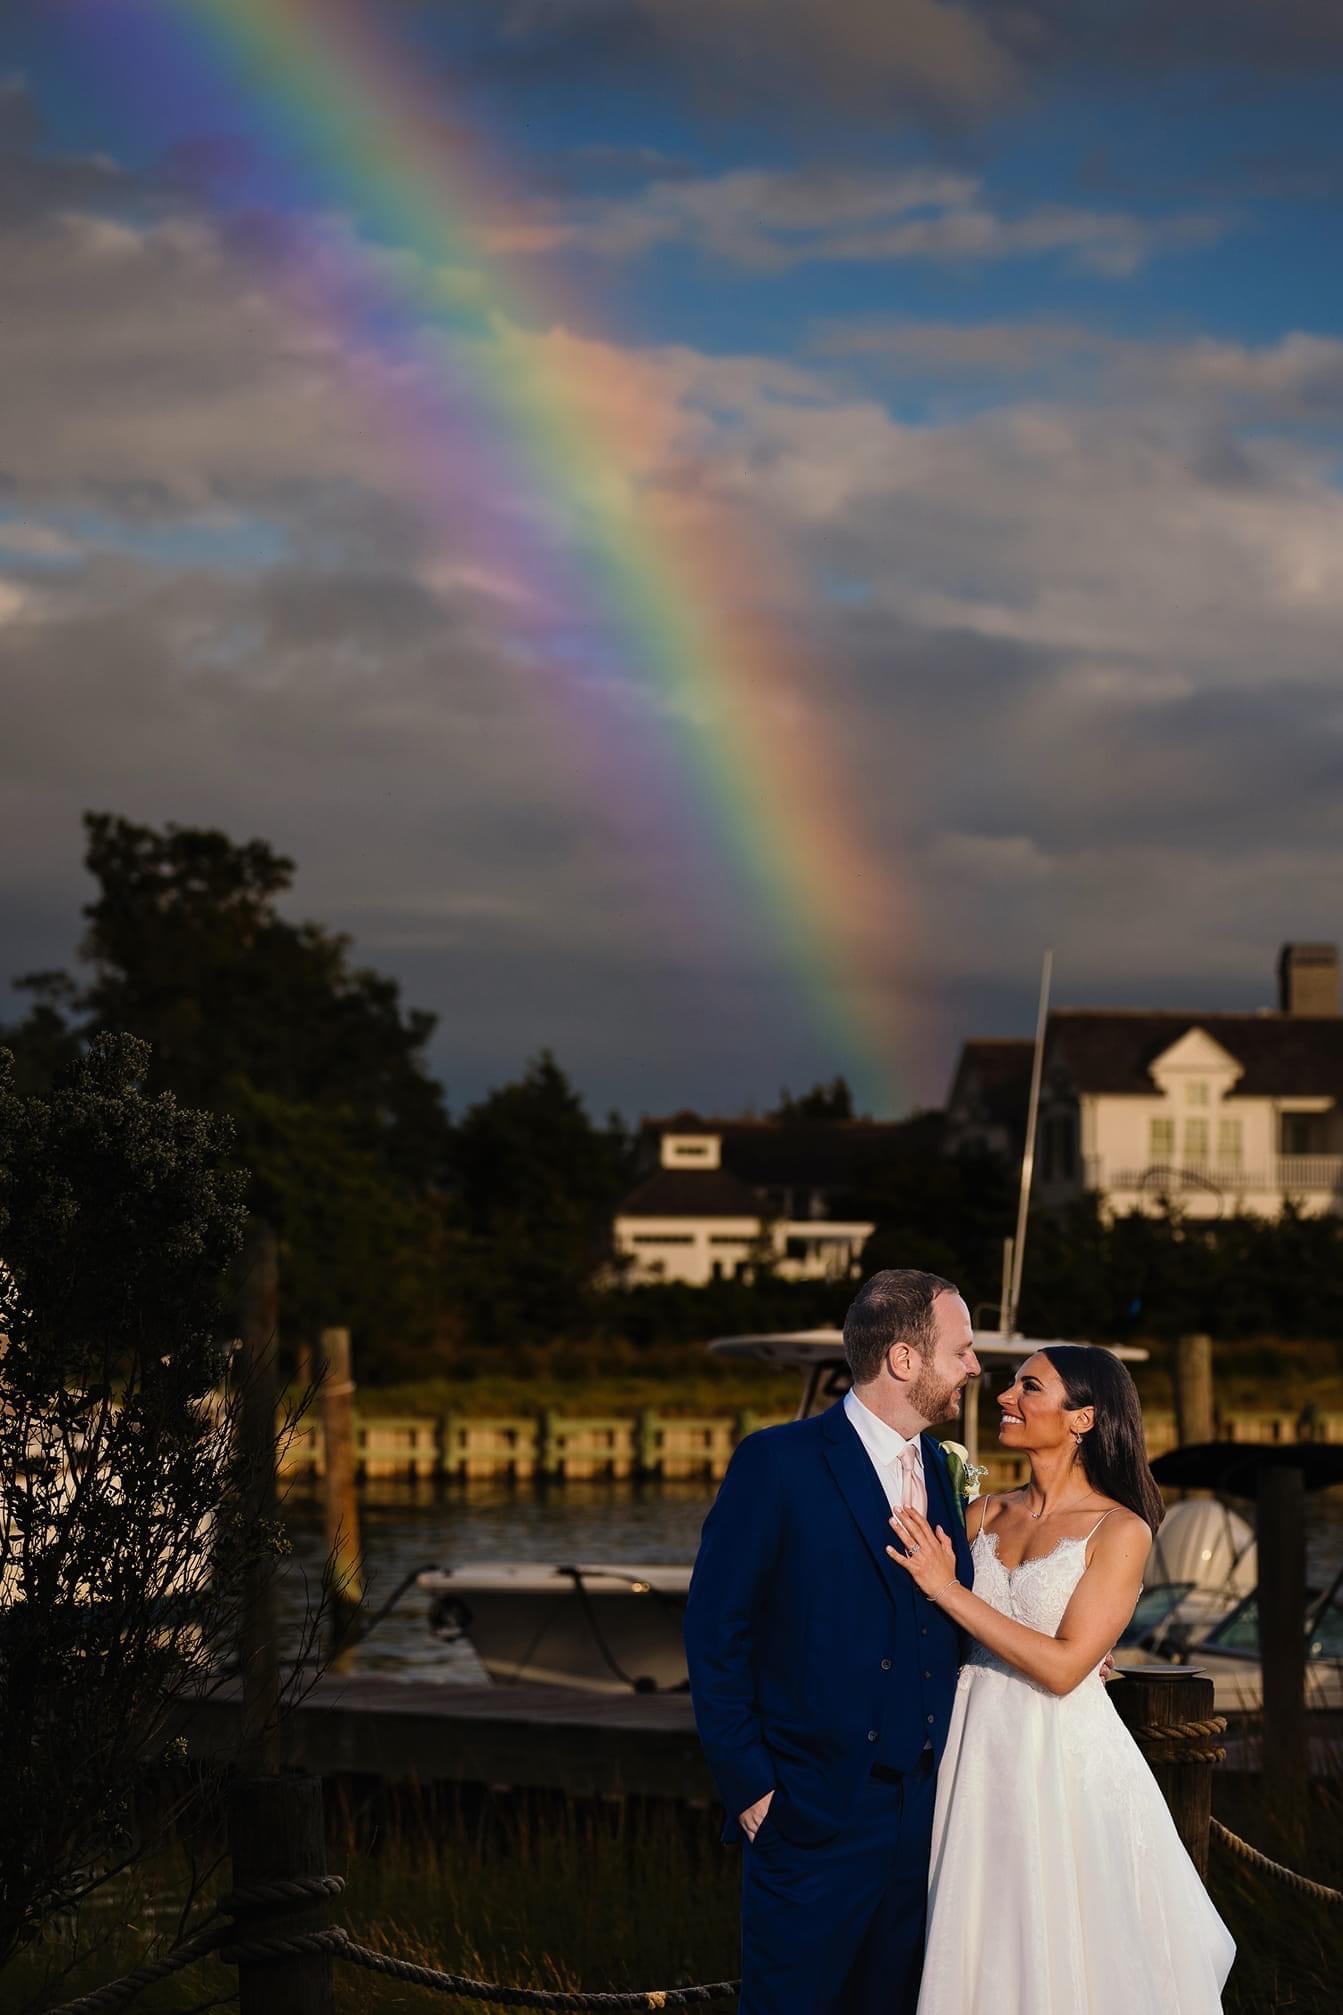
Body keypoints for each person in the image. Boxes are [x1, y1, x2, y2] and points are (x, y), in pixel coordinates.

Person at [888, 1344, 1236, 2015]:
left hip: (1060, 1762)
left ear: (1082, 1418)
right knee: (978, 1929)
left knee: (1067, 1938)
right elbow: (933, 1636)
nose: (1004, 1397)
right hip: (975, 1748)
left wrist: (947, 1589)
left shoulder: (1120, 1527)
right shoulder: (982, 1512)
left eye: (1029, 1386)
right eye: (1011, 1384)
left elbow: (1062, 1665)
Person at [683, 1269, 981, 2014]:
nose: (975, 1368)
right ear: (904, 1360)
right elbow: (715, 1630)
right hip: (809, 1809)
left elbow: (951, 1613)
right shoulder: (777, 1461)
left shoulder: (941, 1473)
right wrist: (750, 1782)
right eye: (962, 1350)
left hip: (923, 1817)